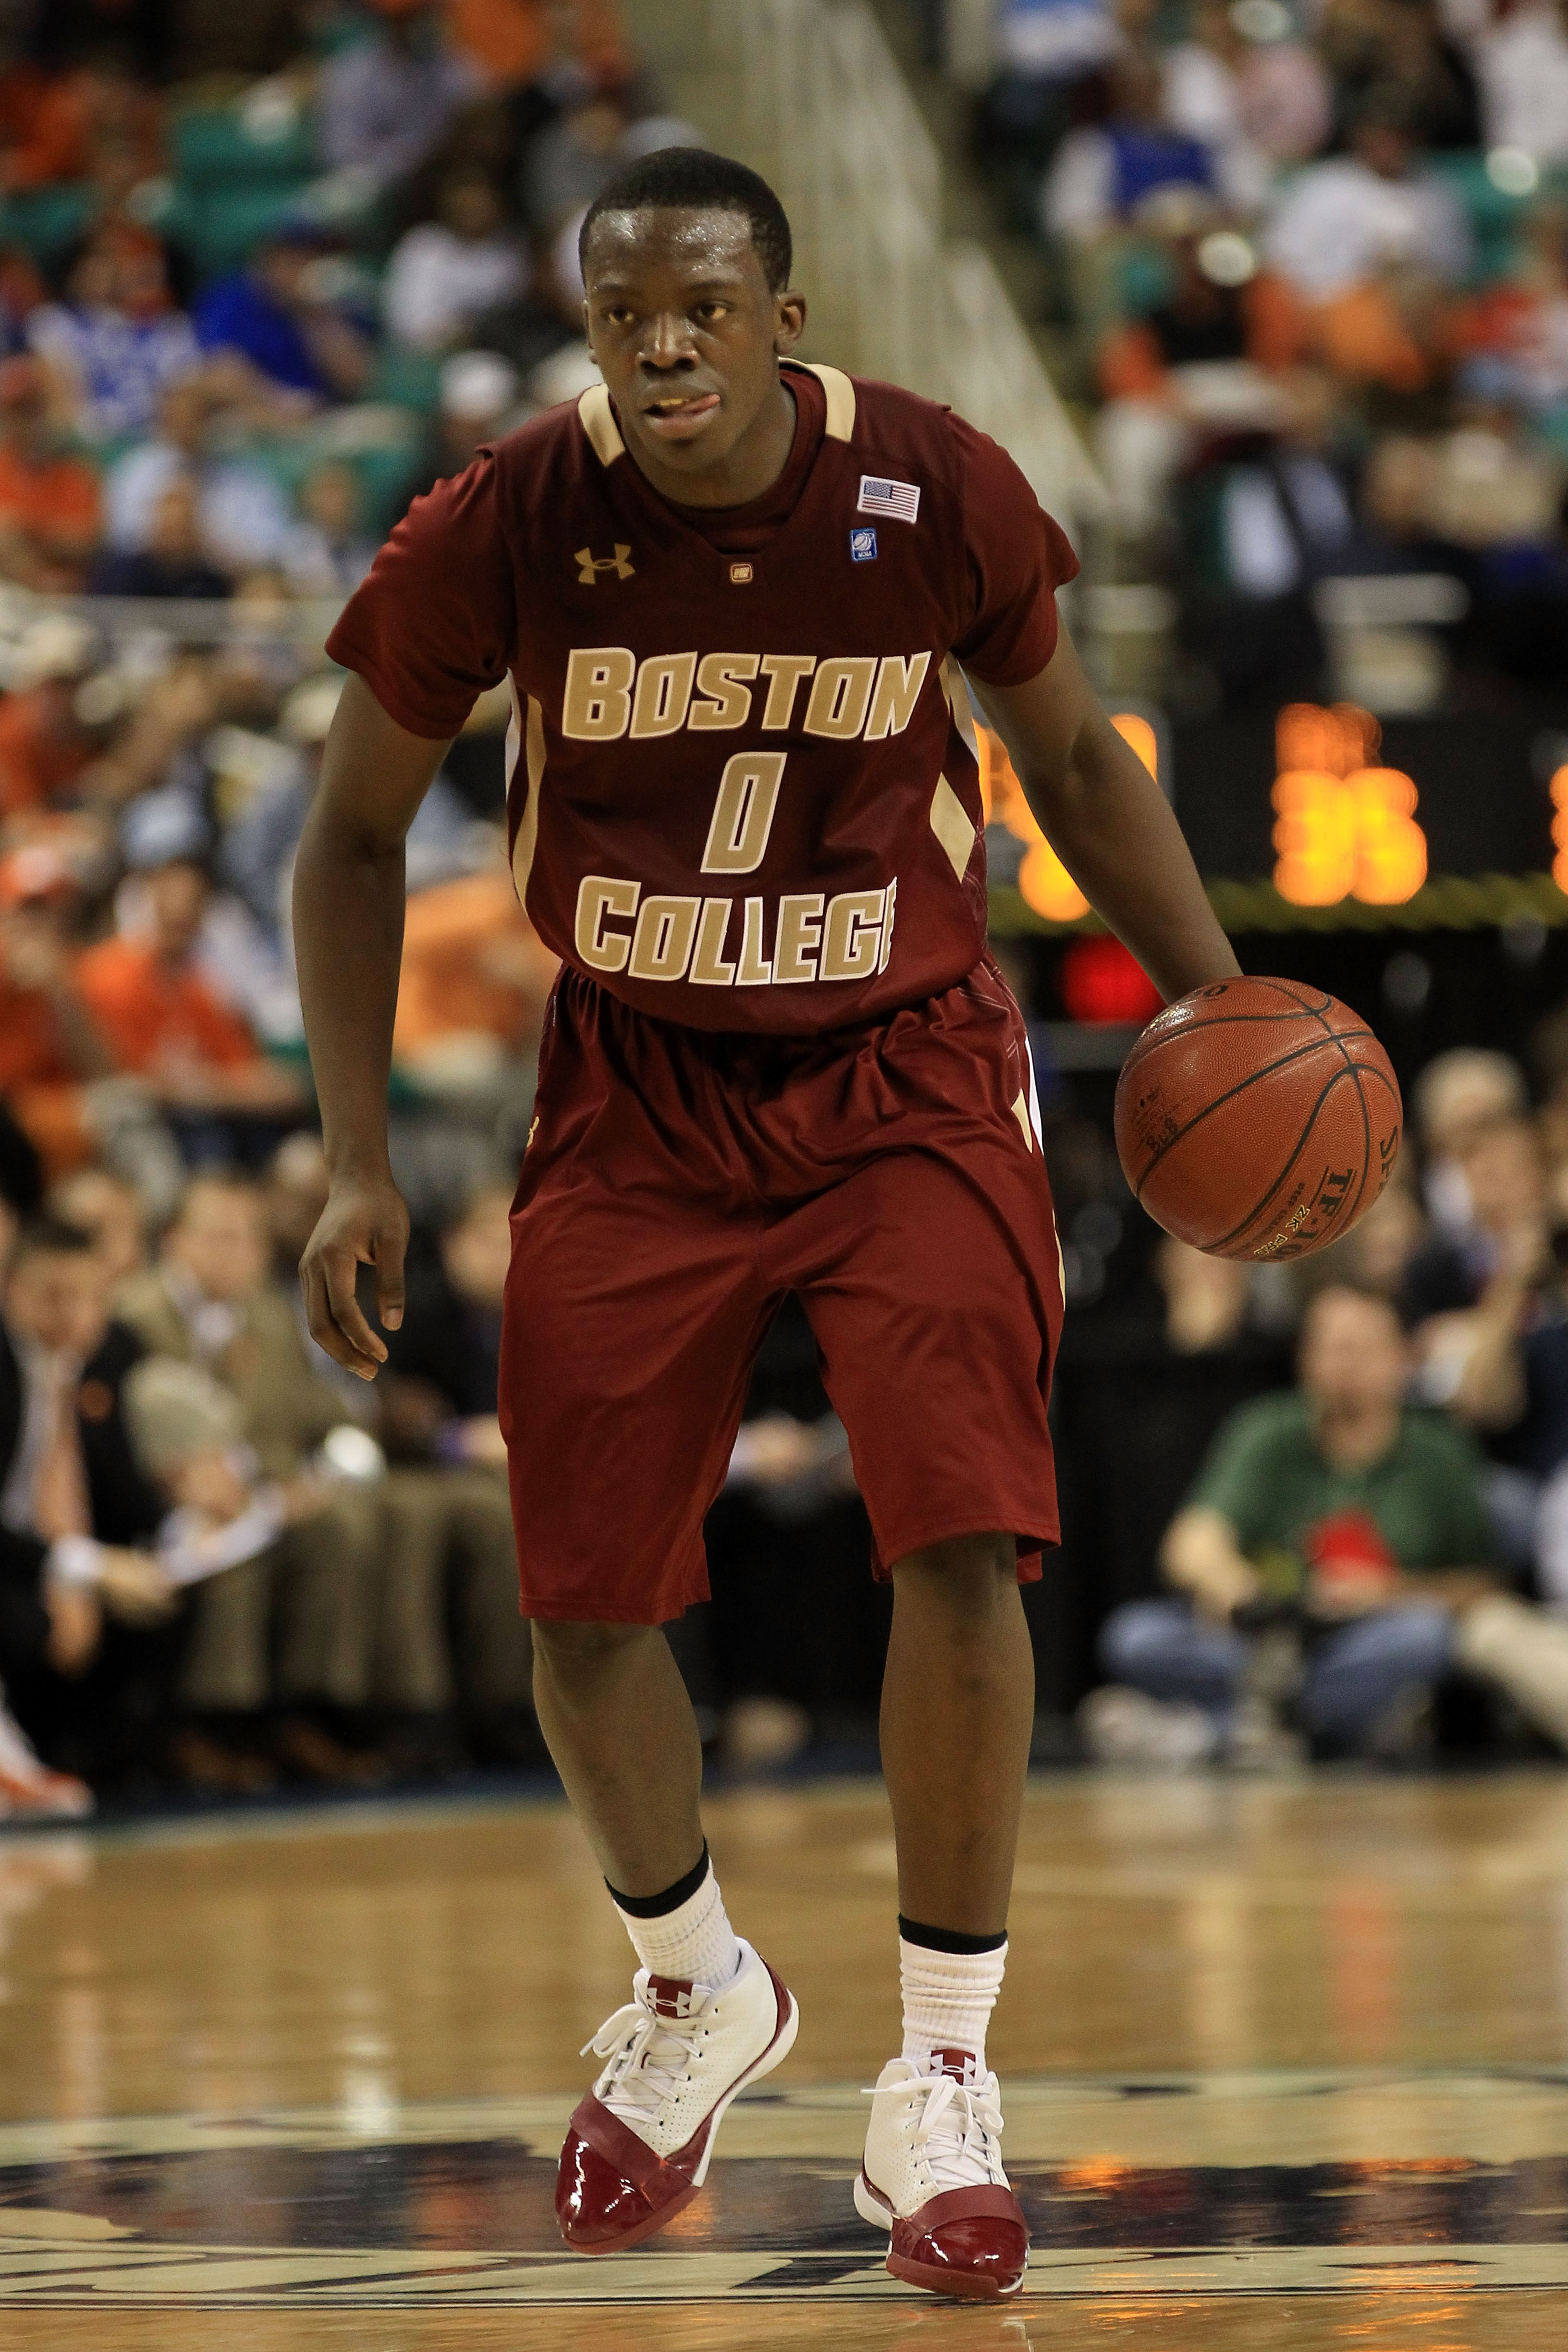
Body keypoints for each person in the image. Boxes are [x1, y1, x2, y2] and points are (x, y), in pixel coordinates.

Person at [293, 147, 1239, 2302]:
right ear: (593, 330)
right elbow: (350, 839)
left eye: (707, 305)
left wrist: (1216, 997)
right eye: (628, 312)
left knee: (963, 1527)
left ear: (783, 319)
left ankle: (943, 2072)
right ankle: (695, 1982)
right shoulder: (506, 519)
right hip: (634, 1074)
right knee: (584, 1596)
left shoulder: (935, 488)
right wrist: (358, 1153)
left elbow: (1079, 762)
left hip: (904, 1061)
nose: (668, 343)